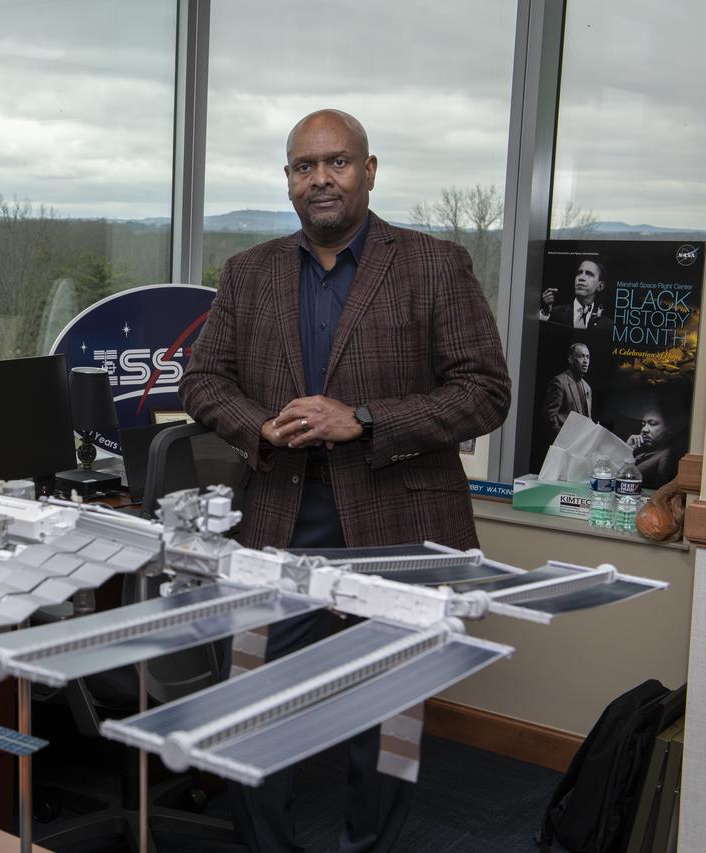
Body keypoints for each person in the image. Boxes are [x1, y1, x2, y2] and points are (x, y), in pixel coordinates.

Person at [180, 109, 510, 853]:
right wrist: (260, 425)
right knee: (254, 707)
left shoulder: (434, 264)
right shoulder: (249, 272)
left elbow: (486, 392)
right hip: (278, 517)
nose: (320, 178)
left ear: (369, 169)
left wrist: (361, 417)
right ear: (288, 179)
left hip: (397, 521)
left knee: (384, 722)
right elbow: (204, 381)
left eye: (337, 162)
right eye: (304, 166)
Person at [540, 259, 612, 331]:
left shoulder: (608, 325)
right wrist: (545, 312)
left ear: (600, 286)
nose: (581, 278)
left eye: (589, 274)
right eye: (579, 273)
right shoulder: (553, 313)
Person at [542, 343, 594, 437]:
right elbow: (549, 417)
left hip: (580, 446)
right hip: (564, 445)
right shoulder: (559, 382)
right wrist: (564, 439)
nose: (586, 361)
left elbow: (586, 419)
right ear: (570, 359)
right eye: (581, 356)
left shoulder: (587, 388)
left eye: (588, 357)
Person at [627, 405, 684, 489]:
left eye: (652, 424)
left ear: (669, 429)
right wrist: (628, 449)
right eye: (643, 424)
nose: (644, 429)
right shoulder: (644, 450)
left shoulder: (668, 455)